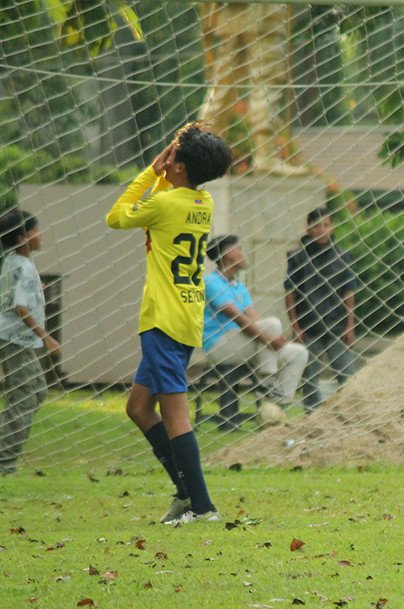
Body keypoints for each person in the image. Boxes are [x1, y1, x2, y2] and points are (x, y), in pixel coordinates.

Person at [106, 123, 232, 524]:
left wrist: (149, 173)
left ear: (177, 167)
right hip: (186, 314)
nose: (167, 158)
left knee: (175, 413)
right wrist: (166, 176)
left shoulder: (164, 202)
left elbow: (116, 217)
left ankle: (202, 506)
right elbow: (160, 207)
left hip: (162, 318)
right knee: (139, 407)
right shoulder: (202, 202)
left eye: (172, 154)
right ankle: (184, 492)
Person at [203, 234, 308, 425]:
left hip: (245, 344)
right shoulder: (211, 282)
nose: (243, 254)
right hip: (219, 345)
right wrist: (270, 336)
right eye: (239, 249)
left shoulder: (239, 286)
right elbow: (240, 319)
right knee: (272, 325)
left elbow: (256, 320)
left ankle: (275, 408)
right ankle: (266, 382)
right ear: (229, 254)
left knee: (299, 353)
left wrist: (273, 337)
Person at [198, 2, 309, 176]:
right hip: (265, 12)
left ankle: (203, 151)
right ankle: (266, 154)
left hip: (229, 12)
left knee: (223, 85)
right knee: (267, 81)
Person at [0, 209, 60, 474]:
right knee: (25, 395)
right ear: (22, 237)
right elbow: (20, 308)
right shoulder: (20, 266)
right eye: (35, 230)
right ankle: (5, 463)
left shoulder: (14, 261)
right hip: (16, 340)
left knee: (36, 390)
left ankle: (6, 453)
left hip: (15, 340)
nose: (40, 235)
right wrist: (46, 337)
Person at [284, 207, 358, 413]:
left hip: (337, 326)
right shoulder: (297, 258)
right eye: (316, 226)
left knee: (348, 375)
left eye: (326, 224)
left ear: (332, 227)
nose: (322, 230)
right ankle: (312, 417)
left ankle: (351, 413)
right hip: (309, 328)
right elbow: (290, 292)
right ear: (308, 229)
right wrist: (295, 326)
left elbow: (349, 291)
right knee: (309, 379)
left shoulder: (343, 256)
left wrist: (350, 325)